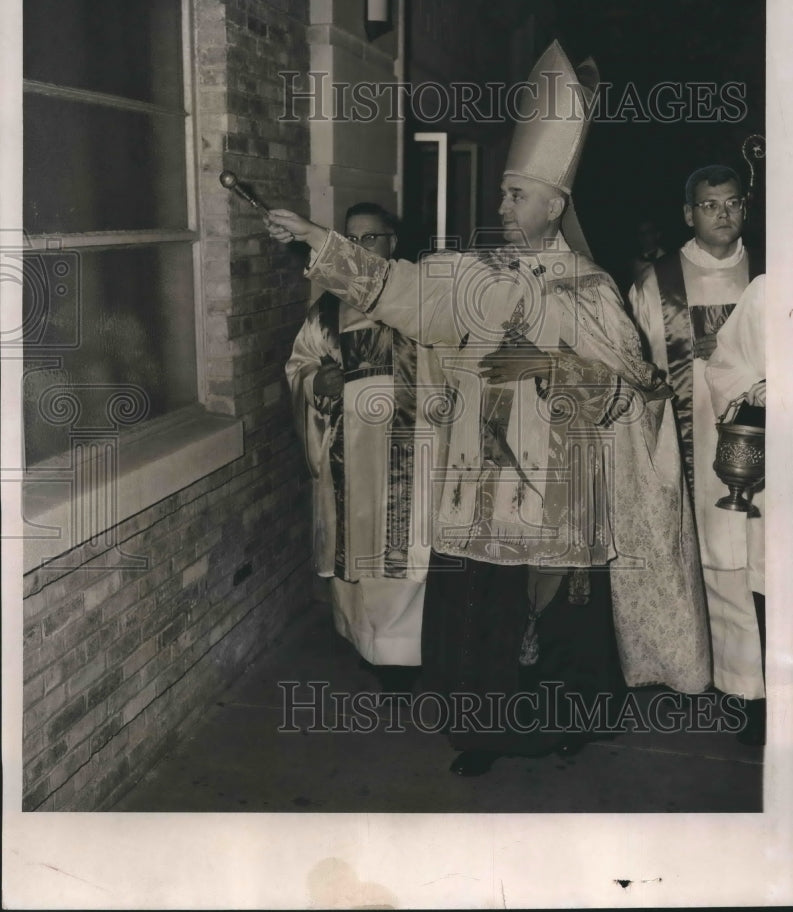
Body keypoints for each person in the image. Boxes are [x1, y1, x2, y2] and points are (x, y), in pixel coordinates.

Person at [270, 40, 711, 775]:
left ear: (555, 205)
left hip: (563, 492)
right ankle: (484, 732)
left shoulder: (591, 290)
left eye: (515, 195)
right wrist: (319, 241)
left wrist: (550, 365)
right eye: (504, 194)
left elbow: (635, 396)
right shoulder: (472, 274)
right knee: (479, 611)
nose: (501, 206)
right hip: (478, 486)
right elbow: (396, 289)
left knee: (558, 617)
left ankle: (565, 724)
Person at [629, 165, 765, 730]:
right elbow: (637, 369)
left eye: (732, 203)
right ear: (688, 214)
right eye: (710, 205)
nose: (724, 214)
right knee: (711, 557)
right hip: (690, 441)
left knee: (759, 559)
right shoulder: (655, 282)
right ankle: (717, 676)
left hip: (766, 443)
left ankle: (757, 684)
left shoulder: (771, 272)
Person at [285, 203, 429, 694]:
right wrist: (316, 380)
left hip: (412, 453)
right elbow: (299, 366)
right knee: (355, 550)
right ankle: (367, 644)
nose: (359, 248)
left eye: (371, 239)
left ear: (394, 242)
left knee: (406, 551)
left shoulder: (416, 298)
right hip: (348, 452)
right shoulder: (326, 310)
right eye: (350, 239)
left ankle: (407, 655)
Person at [705, 274, 766, 745]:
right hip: (780, 470)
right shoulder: (768, 289)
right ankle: (767, 699)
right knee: (769, 580)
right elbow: (724, 361)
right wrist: (756, 386)